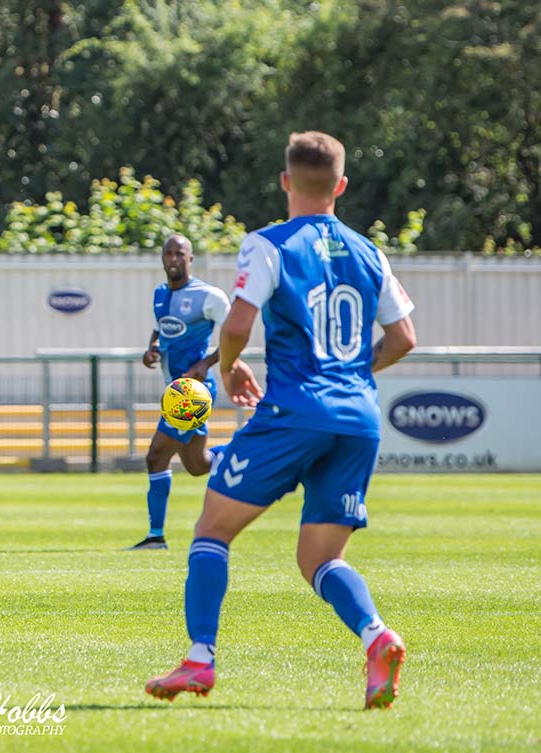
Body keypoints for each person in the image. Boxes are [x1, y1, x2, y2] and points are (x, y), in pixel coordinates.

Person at [144, 131, 417, 709]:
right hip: (358, 418)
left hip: (296, 408)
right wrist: (354, 373)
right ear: (340, 186)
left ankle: (199, 661)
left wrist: (231, 365)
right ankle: (377, 638)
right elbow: (403, 337)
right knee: (321, 558)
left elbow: (238, 323)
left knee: (212, 528)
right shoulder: (371, 252)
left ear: (286, 182)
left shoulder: (268, 244)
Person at [128, 234, 228, 550]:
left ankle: (156, 536)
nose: (173, 259)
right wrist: (151, 349)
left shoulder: (208, 296)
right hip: (175, 387)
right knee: (197, 466)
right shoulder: (160, 295)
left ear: (190, 259)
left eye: (179, 254)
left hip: (192, 391)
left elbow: (234, 336)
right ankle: (242, 450)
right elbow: (161, 329)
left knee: (156, 456)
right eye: (168, 253)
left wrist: (206, 363)